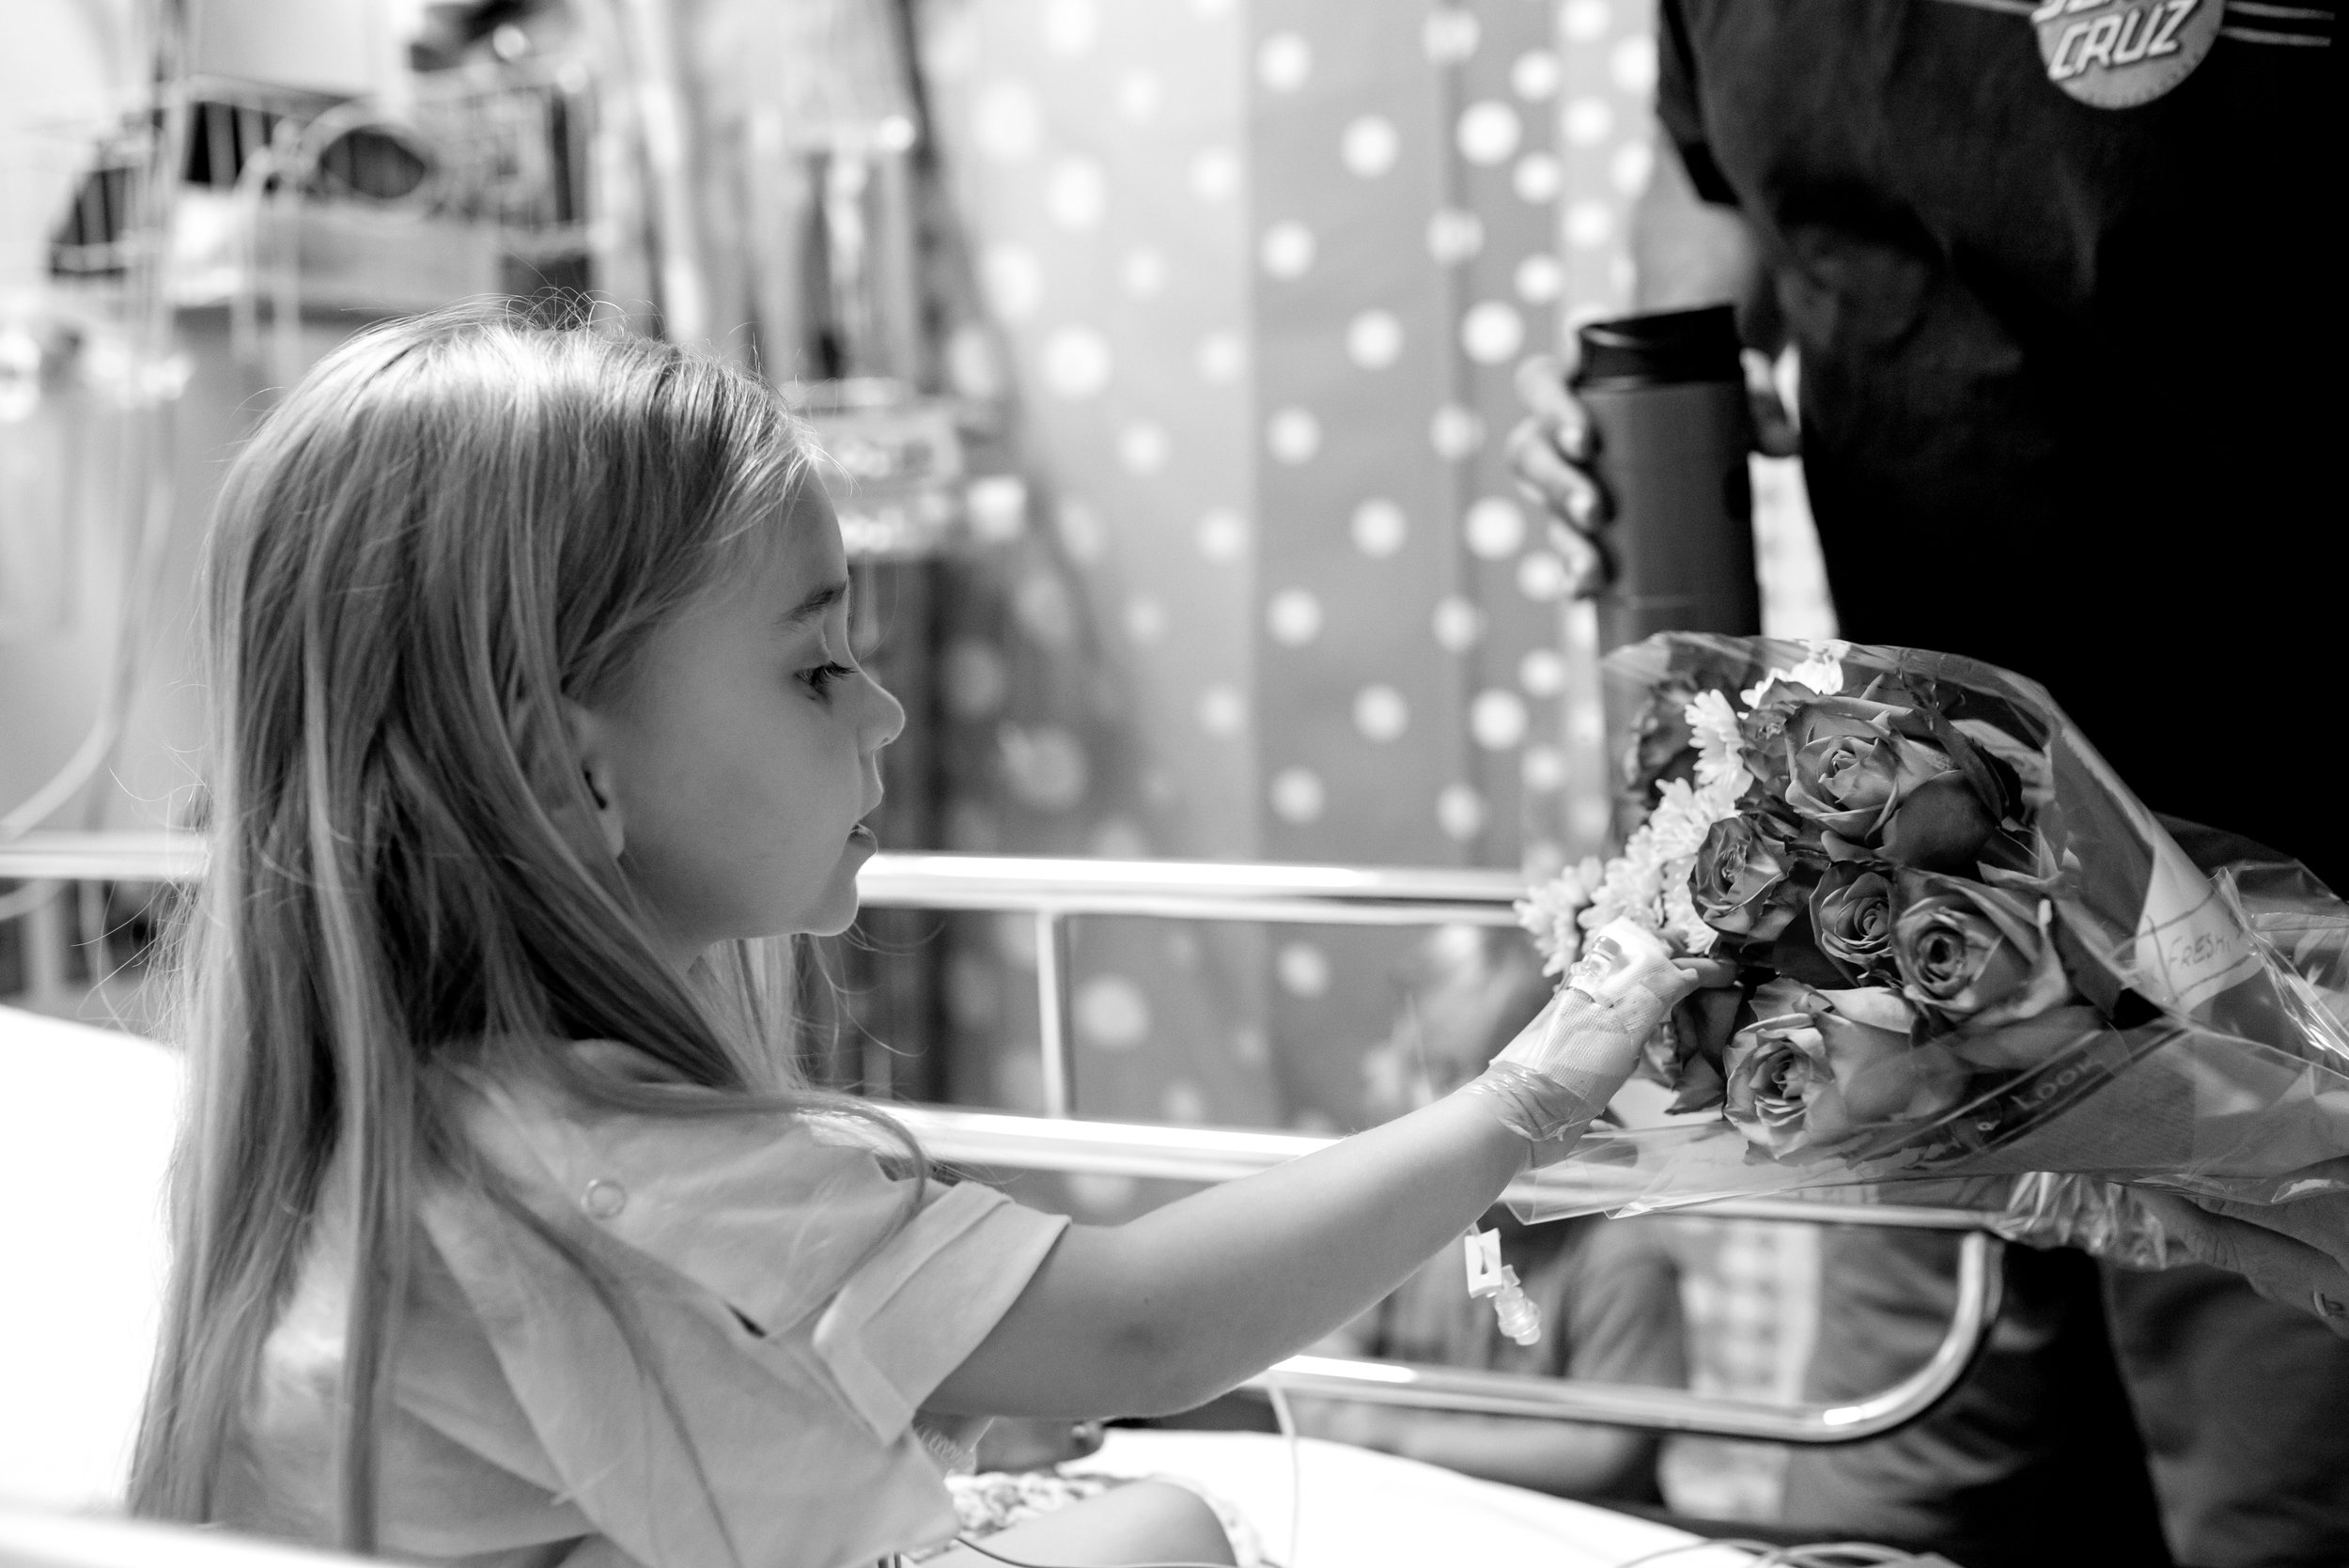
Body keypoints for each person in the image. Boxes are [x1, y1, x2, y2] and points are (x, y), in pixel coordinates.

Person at [125, 306, 1698, 1567]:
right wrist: (1535, 1088)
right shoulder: (603, 1160)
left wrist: (926, 1426)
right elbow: (1148, 1321)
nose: (881, 710)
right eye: (816, 668)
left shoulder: (361, 1124)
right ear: (565, 764)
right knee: (1164, 1525)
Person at [1508, 6, 2349, 1565]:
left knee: (2272, 1520)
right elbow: (1712, 183)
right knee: (1890, 1514)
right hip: (1918, 933)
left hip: (2300, 981)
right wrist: (1651, 403)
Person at [1297, 927, 1688, 1504]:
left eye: (1416, 1063)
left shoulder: (1616, 1258)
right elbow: (1328, 1349)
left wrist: (1402, 1439)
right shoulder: (1412, 1225)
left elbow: (1607, 1450)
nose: (1375, 1074)